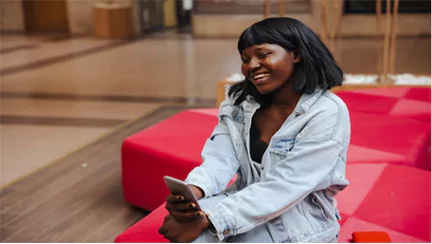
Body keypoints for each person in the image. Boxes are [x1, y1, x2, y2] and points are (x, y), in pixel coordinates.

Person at [158, 17, 351, 243]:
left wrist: (210, 219)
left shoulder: (326, 111)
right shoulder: (239, 104)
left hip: (300, 226)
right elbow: (219, 160)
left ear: (296, 54)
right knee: (185, 229)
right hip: (246, 205)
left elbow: (286, 186)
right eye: (245, 59)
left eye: (263, 54)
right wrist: (192, 195)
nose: (251, 65)